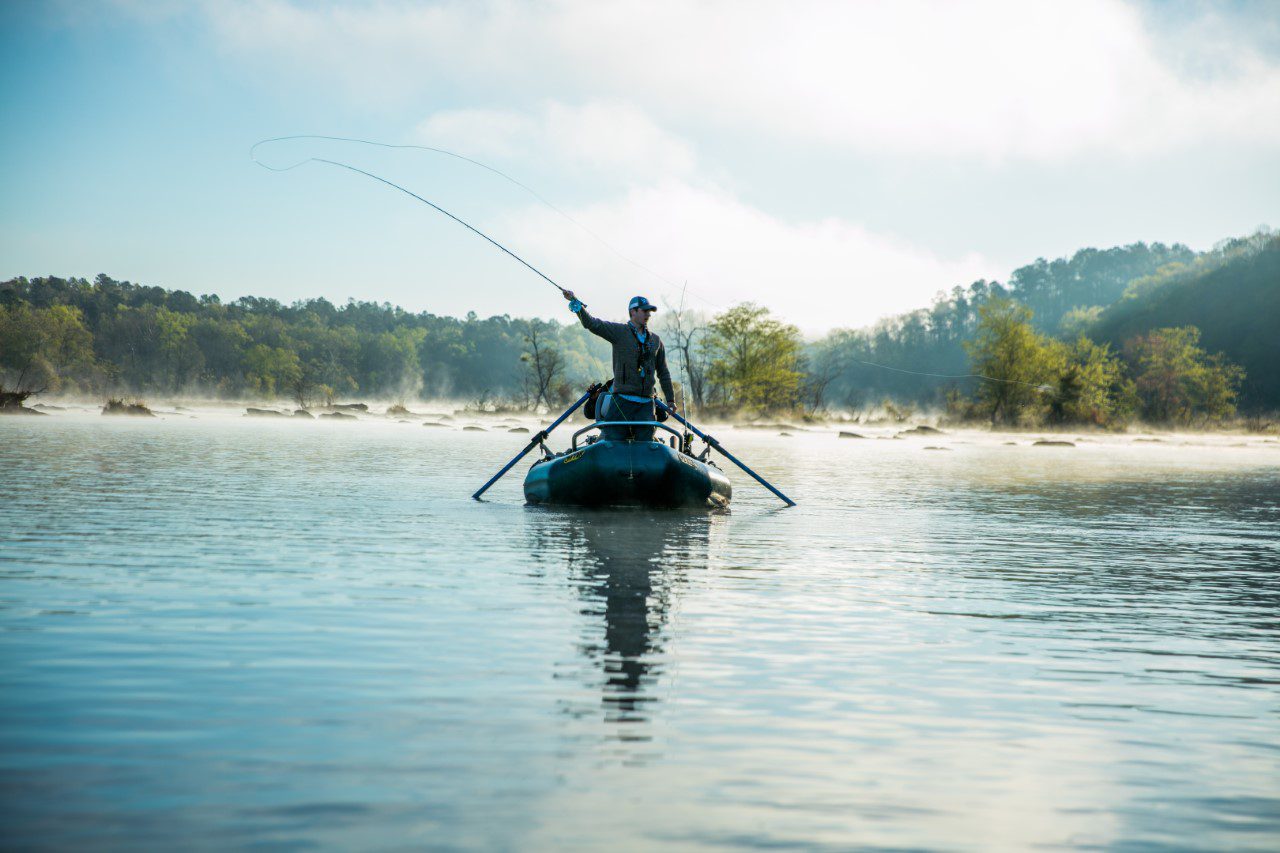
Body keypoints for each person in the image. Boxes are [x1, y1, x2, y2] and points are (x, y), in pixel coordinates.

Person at [562, 290, 676, 440]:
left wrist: (670, 400)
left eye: (650, 311)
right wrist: (576, 303)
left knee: (646, 445)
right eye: (644, 311)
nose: (648, 314)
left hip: (647, 405)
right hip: (621, 401)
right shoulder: (619, 332)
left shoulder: (656, 341)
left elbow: (663, 373)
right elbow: (592, 324)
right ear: (633, 312)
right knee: (611, 441)